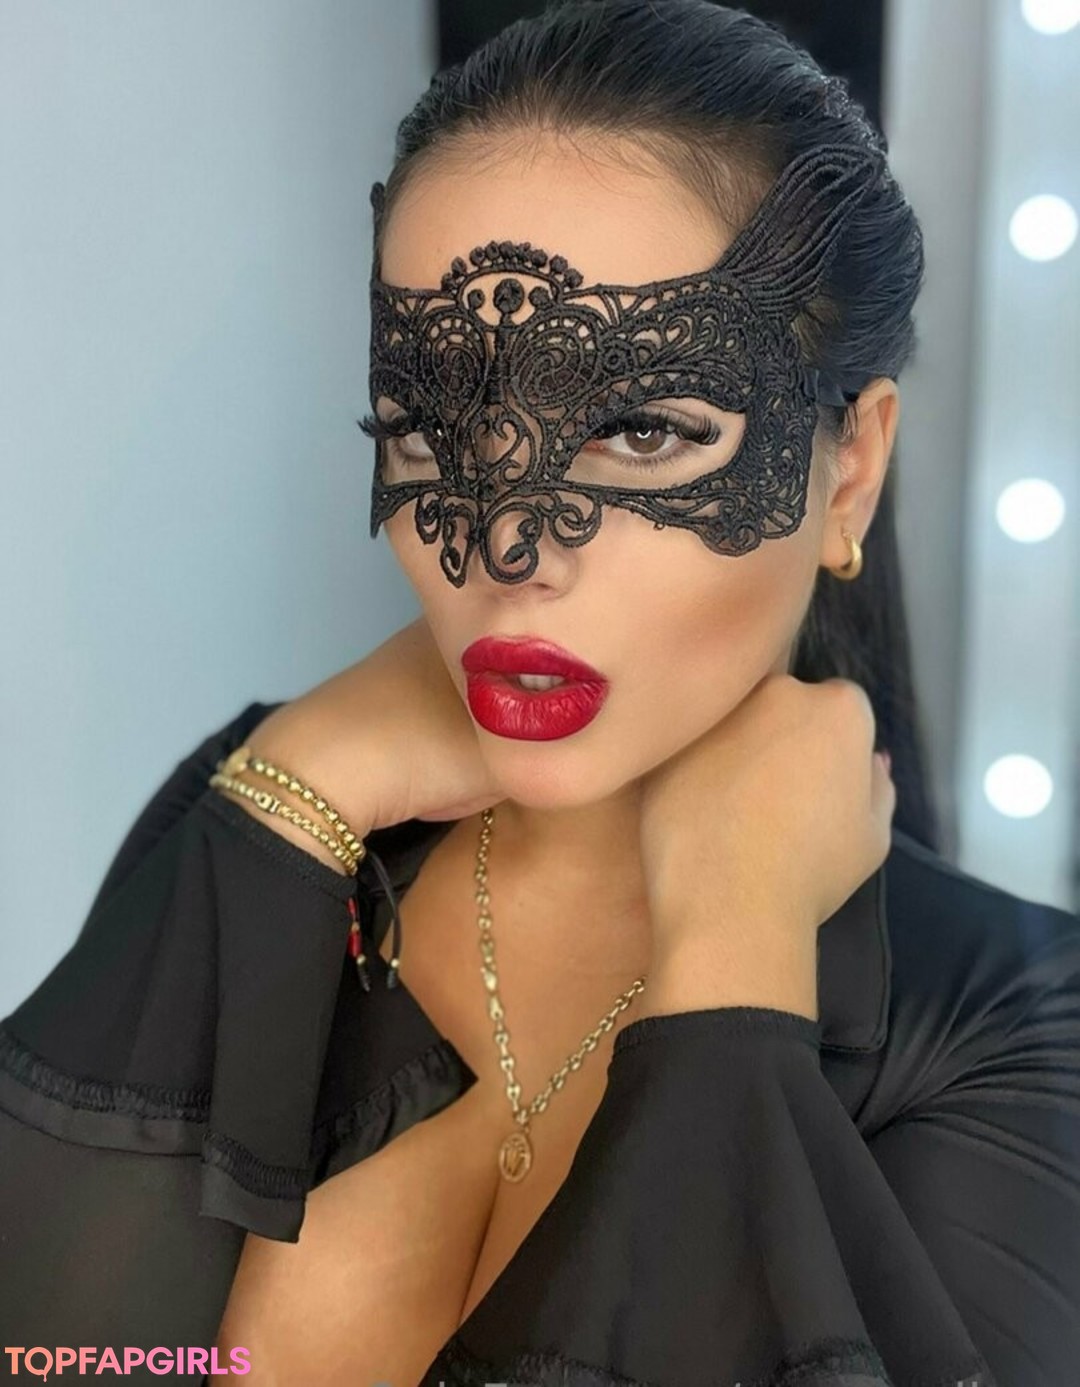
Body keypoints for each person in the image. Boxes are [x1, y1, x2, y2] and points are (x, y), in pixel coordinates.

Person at [2, 1, 1078, 1383]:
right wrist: (300, 779)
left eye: (641, 428)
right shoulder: (268, 824)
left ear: (851, 467)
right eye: (430, 428)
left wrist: (732, 973)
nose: (510, 551)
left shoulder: (1018, 1031)